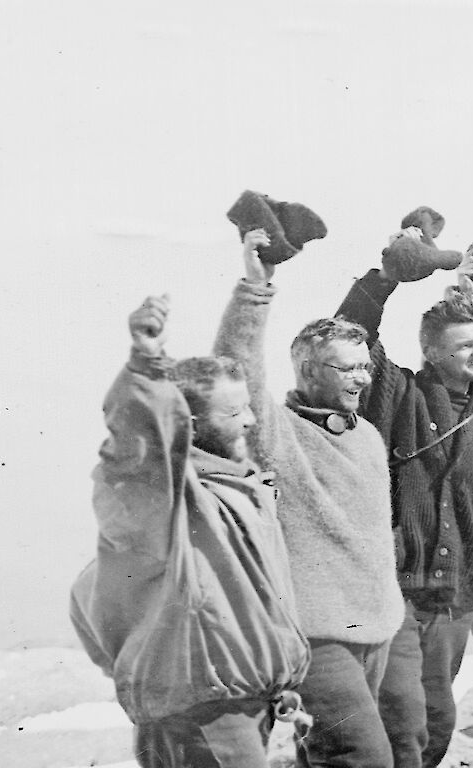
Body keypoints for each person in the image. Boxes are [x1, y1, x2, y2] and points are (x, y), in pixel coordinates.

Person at [69, 263, 310, 767]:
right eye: (232, 413)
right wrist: (145, 367)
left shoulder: (245, 488)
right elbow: (135, 457)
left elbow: (257, 605)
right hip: (200, 712)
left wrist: (281, 684)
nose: (248, 420)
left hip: (241, 705)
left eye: (247, 407)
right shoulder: (171, 502)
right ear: (191, 424)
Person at [335, 236, 473, 768]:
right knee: (404, 720)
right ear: (431, 352)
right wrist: (390, 277)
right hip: (394, 595)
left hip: (454, 598)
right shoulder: (396, 393)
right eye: (464, 345)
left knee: (439, 721)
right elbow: (351, 333)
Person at [211, 229, 404, 766]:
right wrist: (256, 289)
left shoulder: (365, 434)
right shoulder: (279, 434)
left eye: (365, 366)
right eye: (348, 368)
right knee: (364, 758)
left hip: (378, 627)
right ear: (309, 371)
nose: (362, 378)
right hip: (315, 639)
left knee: (323, 757)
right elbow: (236, 371)